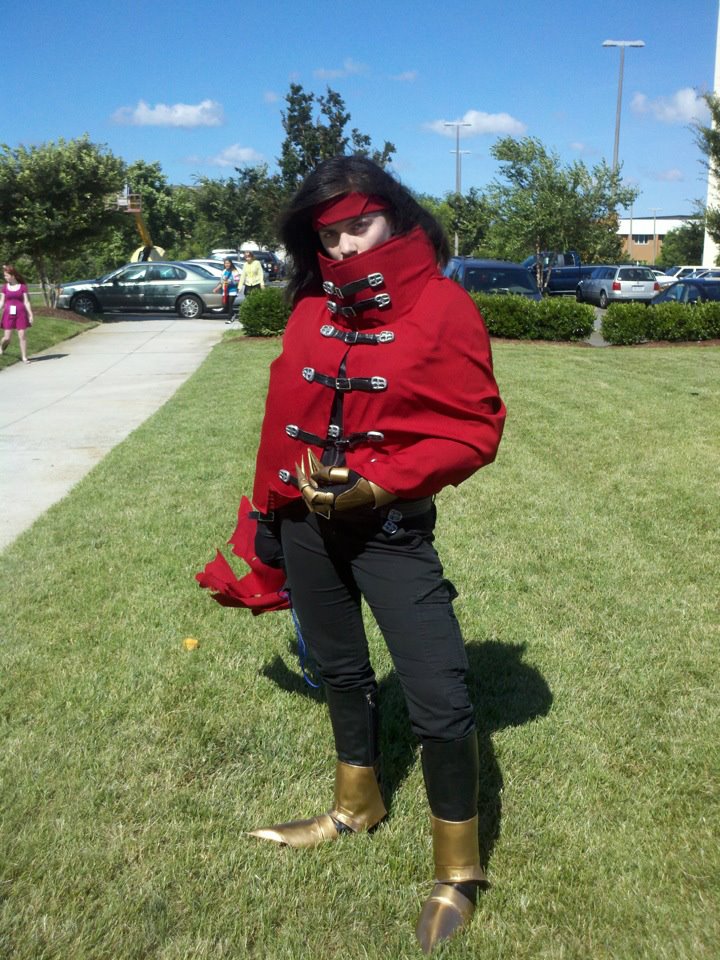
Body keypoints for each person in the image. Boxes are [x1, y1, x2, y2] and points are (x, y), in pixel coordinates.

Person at [197, 156, 505, 953]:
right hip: (304, 524)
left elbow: (476, 428)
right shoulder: (309, 303)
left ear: (397, 219)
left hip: (391, 532)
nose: (341, 247)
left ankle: (458, 869)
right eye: (326, 234)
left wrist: (384, 483)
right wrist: (267, 513)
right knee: (338, 668)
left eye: (357, 226)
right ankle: (355, 805)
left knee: (440, 693)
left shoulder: (445, 306)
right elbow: (282, 413)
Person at [0, 264, 34, 364]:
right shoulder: (5, 287)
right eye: (4, 275)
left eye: (6, 275)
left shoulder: (22, 287)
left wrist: (30, 314)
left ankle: (24, 357)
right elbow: (2, 301)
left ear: (13, 275)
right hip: (8, 314)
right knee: (7, 338)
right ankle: (1, 347)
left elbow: (26, 302)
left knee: (22, 336)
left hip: (21, 313)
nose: (5, 277)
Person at [212, 257, 239, 323]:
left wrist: (231, 282)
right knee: (226, 305)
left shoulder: (234, 271)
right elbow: (222, 282)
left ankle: (229, 319)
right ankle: (233, 314)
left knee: (230, 304)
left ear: (231, 263)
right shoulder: (224, 272)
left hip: (232, 290)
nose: (227, 264)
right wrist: (216, 288)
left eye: (228, 263)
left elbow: (237, 281)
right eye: (225, 263)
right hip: (225, 291)